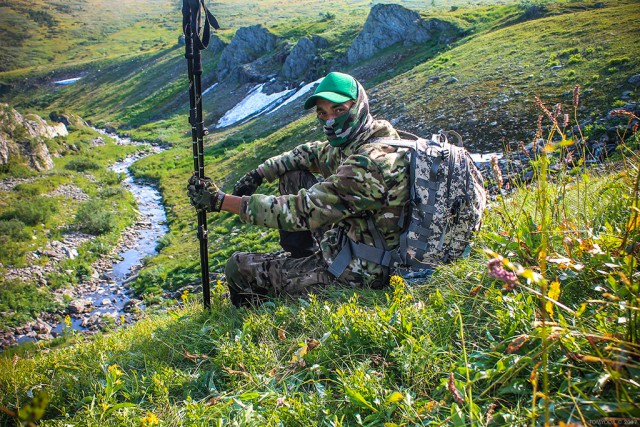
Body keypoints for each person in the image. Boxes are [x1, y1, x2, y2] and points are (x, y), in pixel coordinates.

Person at [187, 71, 411, 307]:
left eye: (339, 110)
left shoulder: (369, 164)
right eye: (322, 113)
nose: (330, 120)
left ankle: (261, 312)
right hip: (356, 237)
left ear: (359, 106)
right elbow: (310, 153)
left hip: (364, 269)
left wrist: (221, 201)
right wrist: (260, 173)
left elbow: (300, 210)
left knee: (239, 268)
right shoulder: (363, 138)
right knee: (292, 175)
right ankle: (301, 258)